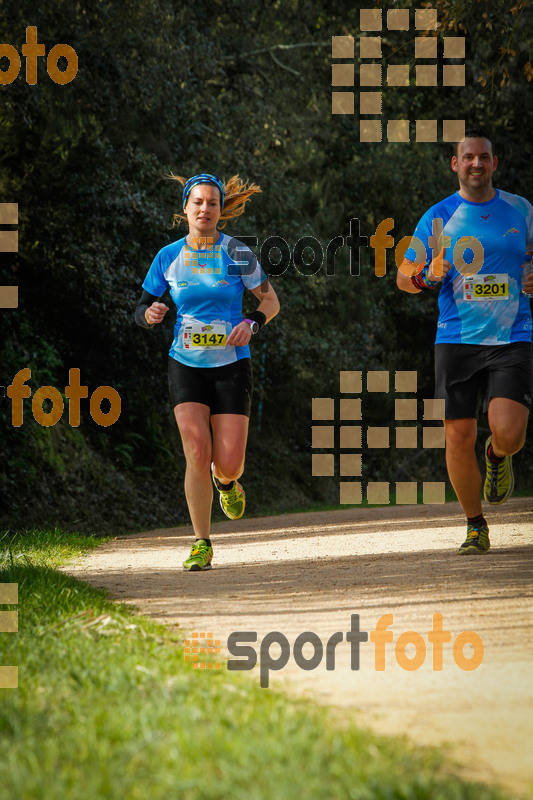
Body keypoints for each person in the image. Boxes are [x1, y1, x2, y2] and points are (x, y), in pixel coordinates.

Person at [397, 127, 533, 554]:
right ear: (455, 164)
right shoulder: (438, 217)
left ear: (494, 164)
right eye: (468, 157)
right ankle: (475, 524)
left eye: (484, 157)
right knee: (457, 435)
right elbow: (404, 278)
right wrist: (427, 274)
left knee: (508, 432)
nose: (476, 163)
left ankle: (497, 456)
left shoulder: (521, 209)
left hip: (513, 336)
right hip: (456, 338)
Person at [136, 173, 280, 570]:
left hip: (232, 365)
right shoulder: (168, 256)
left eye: (212, 203)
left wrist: (251, 323)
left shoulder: (237, 253)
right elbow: (141, 308)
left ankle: (227, 482)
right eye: (197, 202)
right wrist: (150, 314)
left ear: (220, 210)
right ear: (185, 209)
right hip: (185, 364)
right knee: (197, 451)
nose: (204, 209)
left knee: (228, 461)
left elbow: (271, 302)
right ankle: (201, 541)